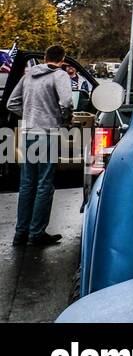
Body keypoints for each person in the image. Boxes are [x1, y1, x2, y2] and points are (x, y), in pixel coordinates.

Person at [9, 44, 74, 246]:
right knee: (45, 184)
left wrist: (29, 116)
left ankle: (21, 233)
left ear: (45, 57)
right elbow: (66, 103)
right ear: (62, 60)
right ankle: (36, 233)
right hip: (48, 133)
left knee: (27, 183)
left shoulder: (28, 74)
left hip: (28, 133)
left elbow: (11, 103)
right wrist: (64, 120)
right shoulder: (60, 75)